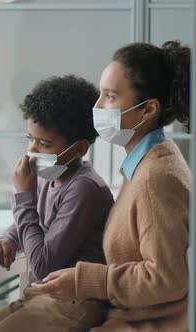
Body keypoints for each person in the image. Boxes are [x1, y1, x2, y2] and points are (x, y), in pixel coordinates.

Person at [33, 41, 191, 331]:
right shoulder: (144, 163)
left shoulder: (155, 178)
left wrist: (88, 281)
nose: (97, 107)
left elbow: (168, 279)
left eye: (110, 97)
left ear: (148, 110)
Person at [0, 75, 114, 332]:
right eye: (30, 139)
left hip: (74, 301)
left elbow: (42, 265)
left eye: (44, 144)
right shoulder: (50, 176)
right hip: (39, 296)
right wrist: (8, 239)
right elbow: (29, 222)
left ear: (79, 149)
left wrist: (23, 194)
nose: (32, 152)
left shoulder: (84, 188)